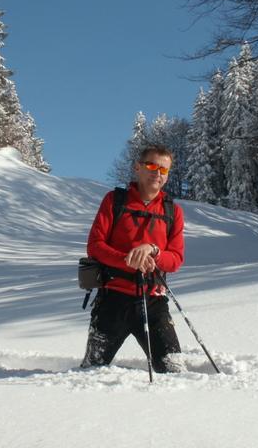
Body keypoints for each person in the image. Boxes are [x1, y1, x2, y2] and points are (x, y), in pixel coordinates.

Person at [80, 145, 185, 373]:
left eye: (164, 170)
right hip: (113, 301)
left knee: (175, 373)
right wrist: (128, 260)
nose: (157, 173)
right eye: (151, 166)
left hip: (154, 301)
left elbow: (175, 260)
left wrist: (155, 251)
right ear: (137, 167)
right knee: (91, 371)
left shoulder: (172, 211)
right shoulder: (114, 200)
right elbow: (95, 247)